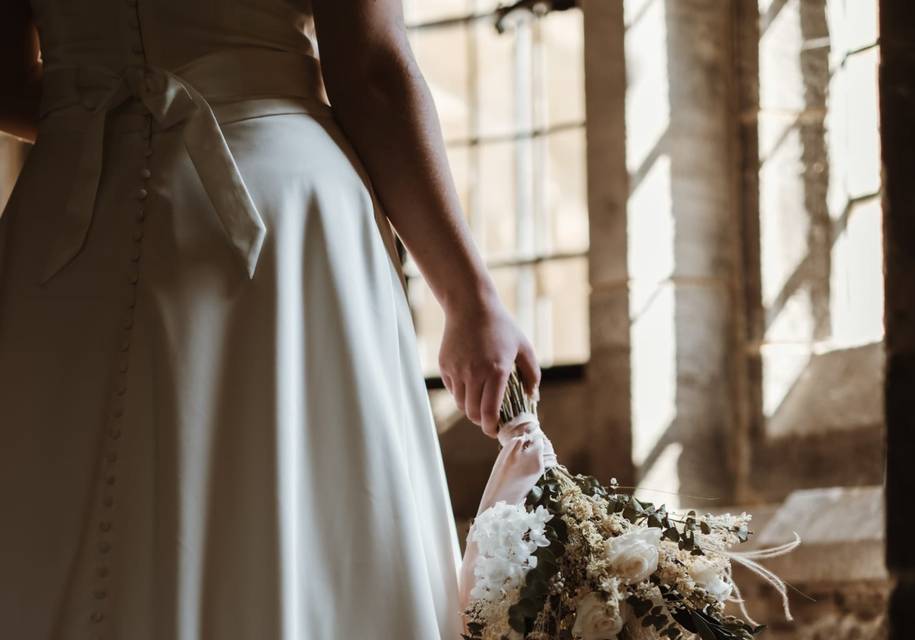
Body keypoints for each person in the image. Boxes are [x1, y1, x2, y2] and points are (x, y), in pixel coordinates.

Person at [0, 0, 541, 637]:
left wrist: (105, 112)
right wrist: (468, 298)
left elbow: (6, 77)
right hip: (275, 206)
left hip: (68, 223)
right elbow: (369, 73)